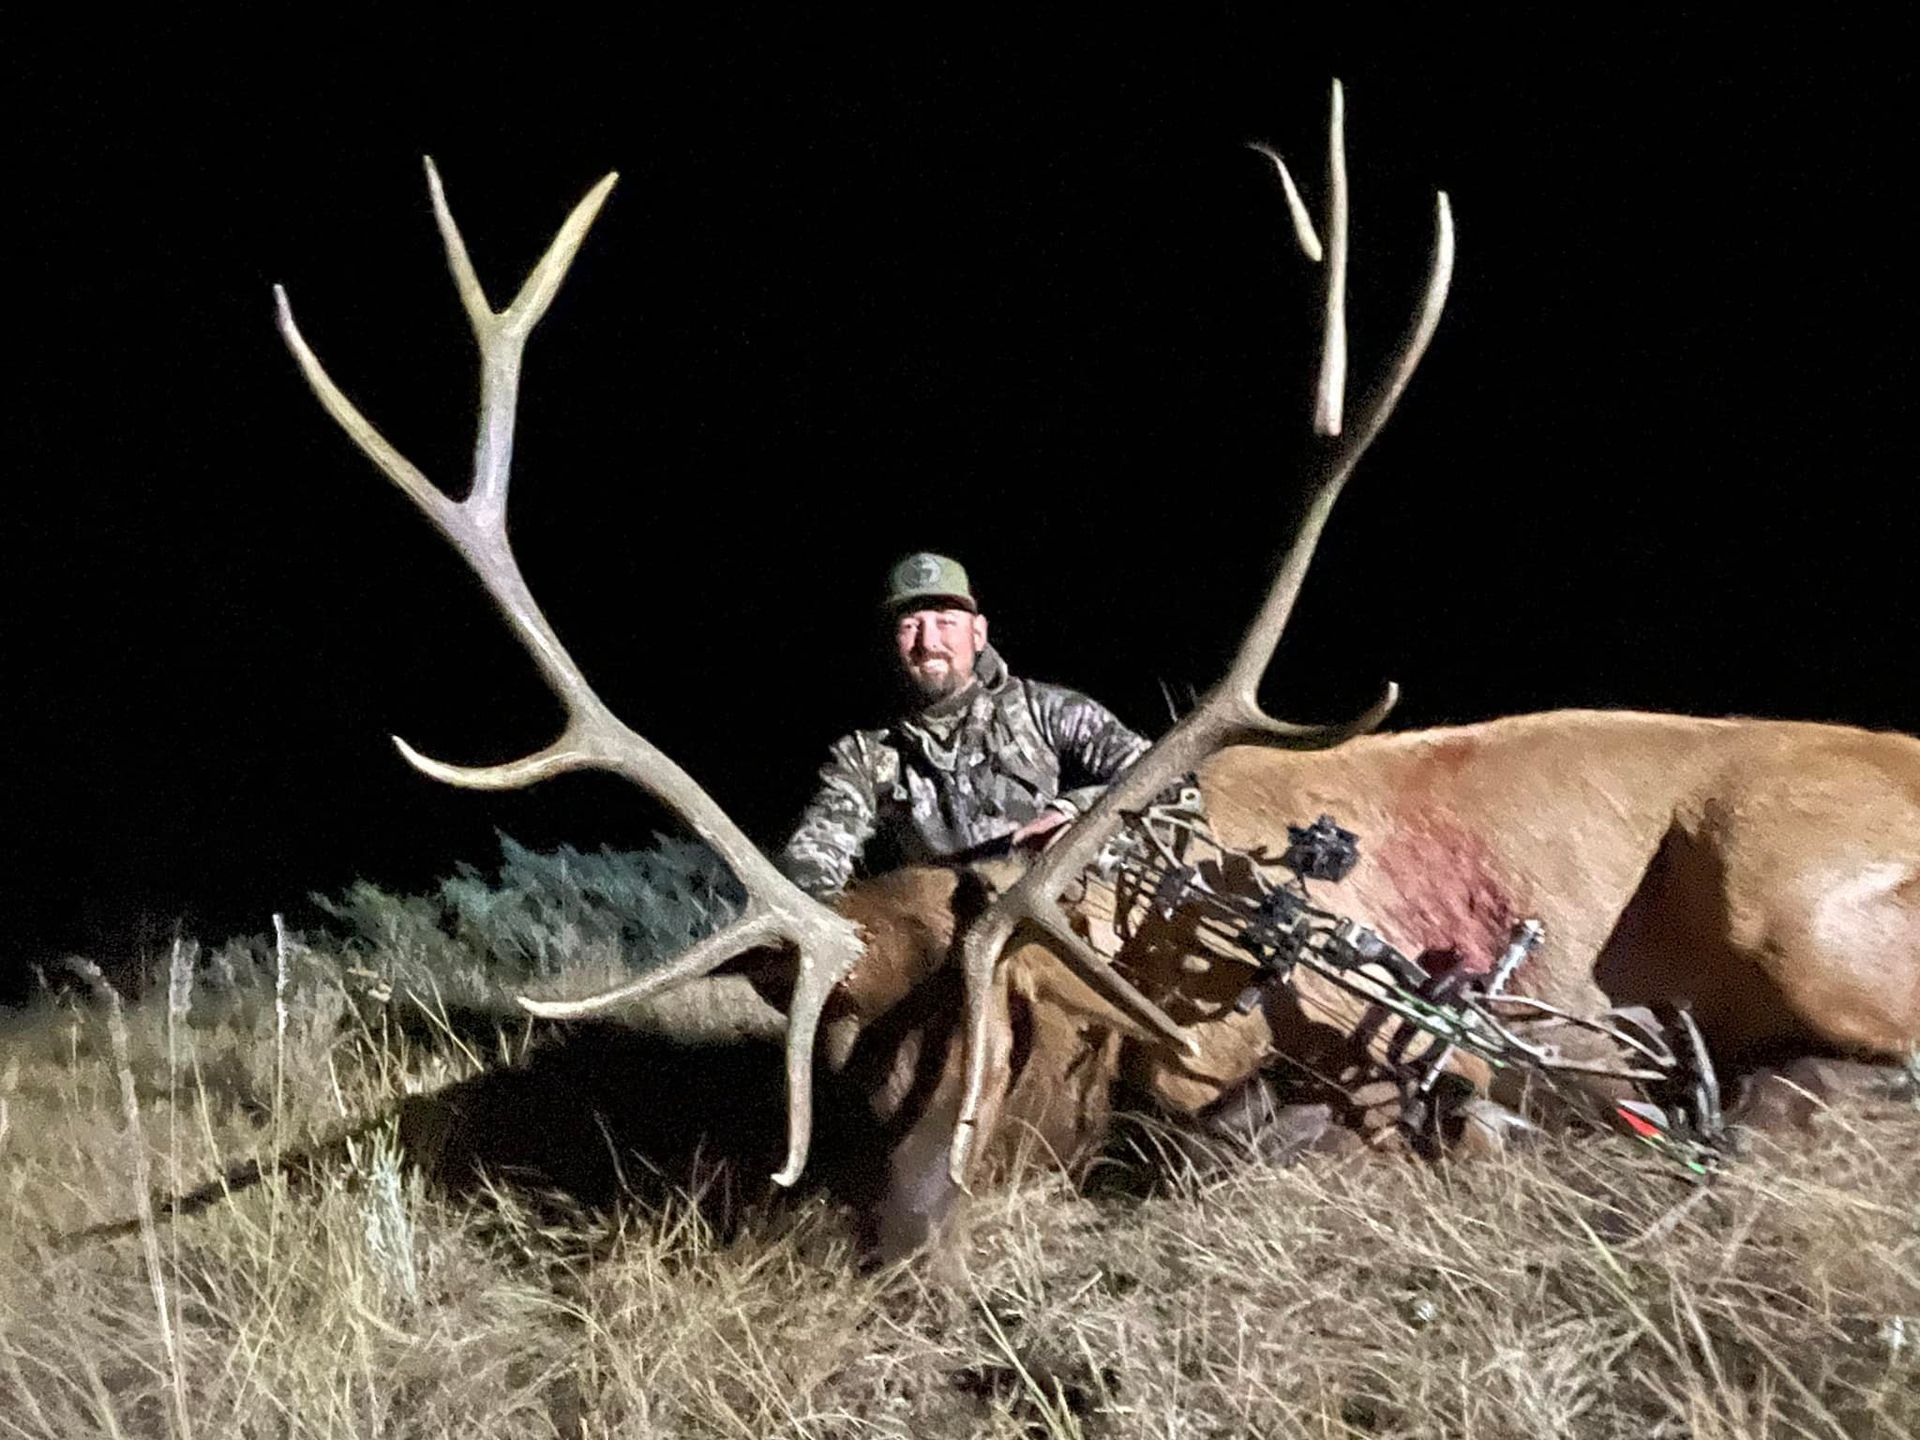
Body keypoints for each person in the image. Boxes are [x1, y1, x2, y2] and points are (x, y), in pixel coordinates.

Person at [780, 552, 1151, 898]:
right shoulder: (867, 755)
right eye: (910, 626)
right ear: (891, 642)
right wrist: (811, 909)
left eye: (945, 622)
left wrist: (1076, 815)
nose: (929, 642)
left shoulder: (1046, 709)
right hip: (951, 938)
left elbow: (1164, 777)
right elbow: (813, 857)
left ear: (978, 634)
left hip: (1058, 914)